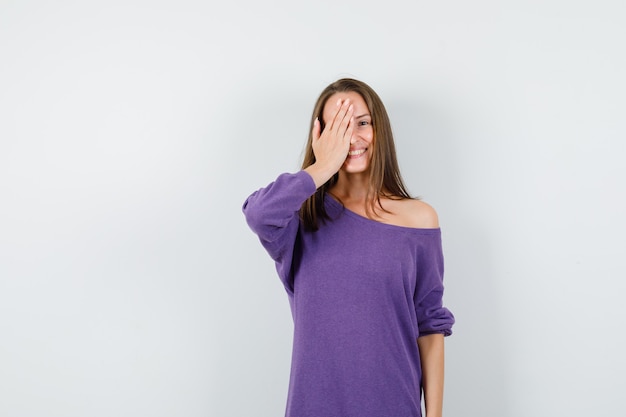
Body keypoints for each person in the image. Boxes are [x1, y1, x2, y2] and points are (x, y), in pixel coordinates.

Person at [242, 78, 454, 417]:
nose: (352, 138)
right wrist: (322, 166)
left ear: (379, 128)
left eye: (362, 123)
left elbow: (430, 326)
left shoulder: (419, 220)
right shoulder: (300, 216)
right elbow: (257, 214)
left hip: (393, 405)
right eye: (338, 127)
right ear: (321, 137)